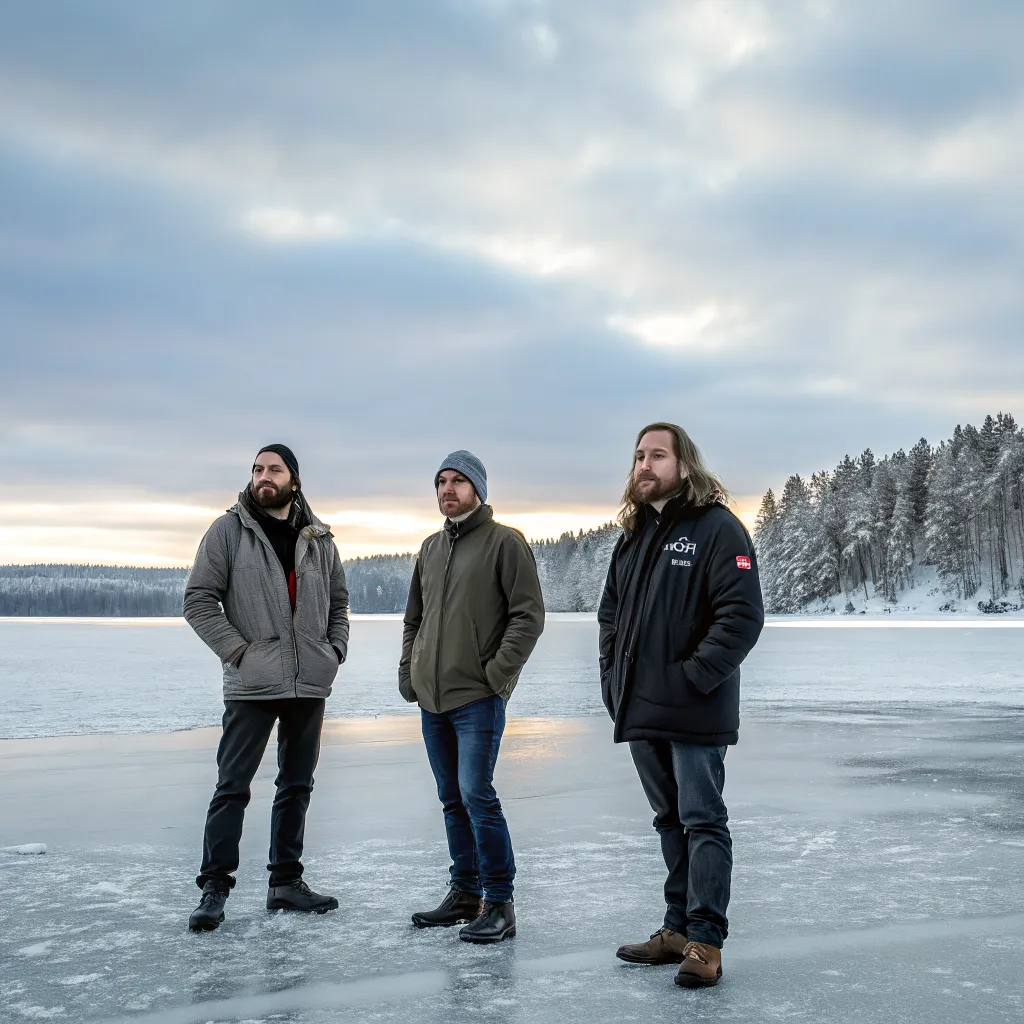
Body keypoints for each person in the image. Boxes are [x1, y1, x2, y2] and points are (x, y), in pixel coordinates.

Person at [598, 423, 764, 987]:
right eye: (639, 456)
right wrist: (612, 680)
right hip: (641, 710)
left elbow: (741, 616)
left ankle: (705, 943)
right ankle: (675, 931)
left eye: (658, 455)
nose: (645, 465)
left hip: (696, 712)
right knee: (669, 821)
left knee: (702, 821)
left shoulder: (719, 529)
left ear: (684, 465)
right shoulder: (635, 534)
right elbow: (610, 619)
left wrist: (694, 679)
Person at [183, 444, 349, 932]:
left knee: (296, 785)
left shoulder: (318, 537)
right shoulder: (228, 531)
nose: (264, 476)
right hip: (251, 685)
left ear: (293, 479)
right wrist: (238, 653)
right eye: (258, 469)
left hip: (308, 683)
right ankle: (214, 888)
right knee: (232, 788)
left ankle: (285, 883)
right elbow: (198, 600)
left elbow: (339, 601)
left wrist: (333, 650)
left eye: (274, 469)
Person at [399, 450, 545, 943]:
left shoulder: (505, 543)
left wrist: (496, 674)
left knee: (477, 795)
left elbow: (528, 616)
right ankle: (465, 893)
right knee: (451, 798)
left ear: (478, 489)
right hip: (432, 700)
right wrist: (409, 671)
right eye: (441, 481)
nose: (447, 489)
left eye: (458, 481)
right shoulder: (430, 548)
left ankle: (500, 903)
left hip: (477, 699)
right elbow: (413, 621)